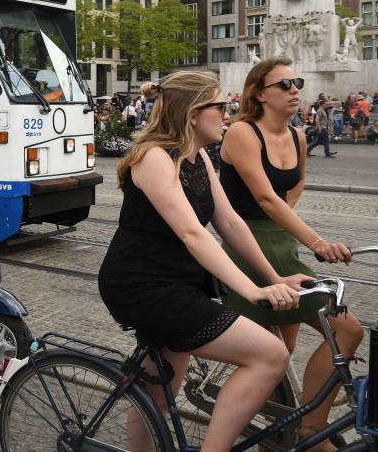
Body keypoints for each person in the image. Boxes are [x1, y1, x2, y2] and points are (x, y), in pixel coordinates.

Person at [97, 71, 311, 452]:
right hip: (143, 286)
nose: (228, 114)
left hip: (177, 282)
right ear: (194, 113)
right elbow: (192, 233)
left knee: (157, 396)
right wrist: (253, 290)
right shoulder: (154, 158)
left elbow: (229, 222)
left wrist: (274, 276)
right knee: (269, 355)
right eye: (220, 107)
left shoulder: (197, 158)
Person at [220, 58, 363, 448]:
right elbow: (266, 199)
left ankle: (281, 424)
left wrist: (291, 231)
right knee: (346, 328)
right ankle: (311, 432)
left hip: (280, 241)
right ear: (259, 93)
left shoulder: (298, 136)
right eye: (283, 84)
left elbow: (291, 191)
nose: (294, 89)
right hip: (246, 241)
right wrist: (317, 243)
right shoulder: (242, 133)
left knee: (283, 349)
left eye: (296, 81)